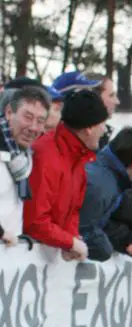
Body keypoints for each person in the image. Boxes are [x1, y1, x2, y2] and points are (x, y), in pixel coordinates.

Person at [23, 88, 108, 257]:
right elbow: (35, 221)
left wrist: (70, 239)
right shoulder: (46, 155)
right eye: (102, 124)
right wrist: (70, 242)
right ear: (89, 129)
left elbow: (72, 210)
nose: (104, 130)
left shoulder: (77, 157)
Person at [80, 126, 132, 260]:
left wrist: (128, 239)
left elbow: (102, 222)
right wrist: (103, 249)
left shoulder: (108, 175)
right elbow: (83, 227)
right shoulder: (102, 186)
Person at [0, 84, 49, 246]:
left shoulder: (24, 157)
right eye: (27, 117)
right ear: (8, 112)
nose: (33, 127)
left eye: (40, 121)